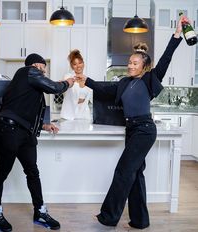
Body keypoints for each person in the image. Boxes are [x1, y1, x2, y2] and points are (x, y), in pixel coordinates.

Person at [75, 16, 186, 229]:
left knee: (123, 171)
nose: (130, 65)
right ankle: (140, 220)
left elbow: (166, 59)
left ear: (144, 67)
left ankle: (109, 216)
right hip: (131, 130)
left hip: (145, 130)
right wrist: (86, 80)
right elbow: (104, 90)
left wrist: (177, 34)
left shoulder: (149, 80)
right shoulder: (124, 83)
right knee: (135, 175)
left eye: (135, 63)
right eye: (129, 62)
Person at [0, 53, 75, 232]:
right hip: (9, 130)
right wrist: (67, 83)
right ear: (37, 65)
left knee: (32, 172)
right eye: (43, 66)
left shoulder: (30, 87)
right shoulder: (27, 72)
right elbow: (53, 87)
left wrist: (44, 125)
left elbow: (25, 111)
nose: (44, 70)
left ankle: (40, 212)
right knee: (2, 172)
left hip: (24, 133)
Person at [60, 49, 92, 120]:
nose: (78, 66)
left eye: (80, 63)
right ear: (72, 66)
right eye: (75, 64)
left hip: (84, 116)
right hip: (69, 115)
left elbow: (91, 99)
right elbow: (65, 86)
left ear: (83, 63)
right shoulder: (68, 77)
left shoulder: (88, 80)